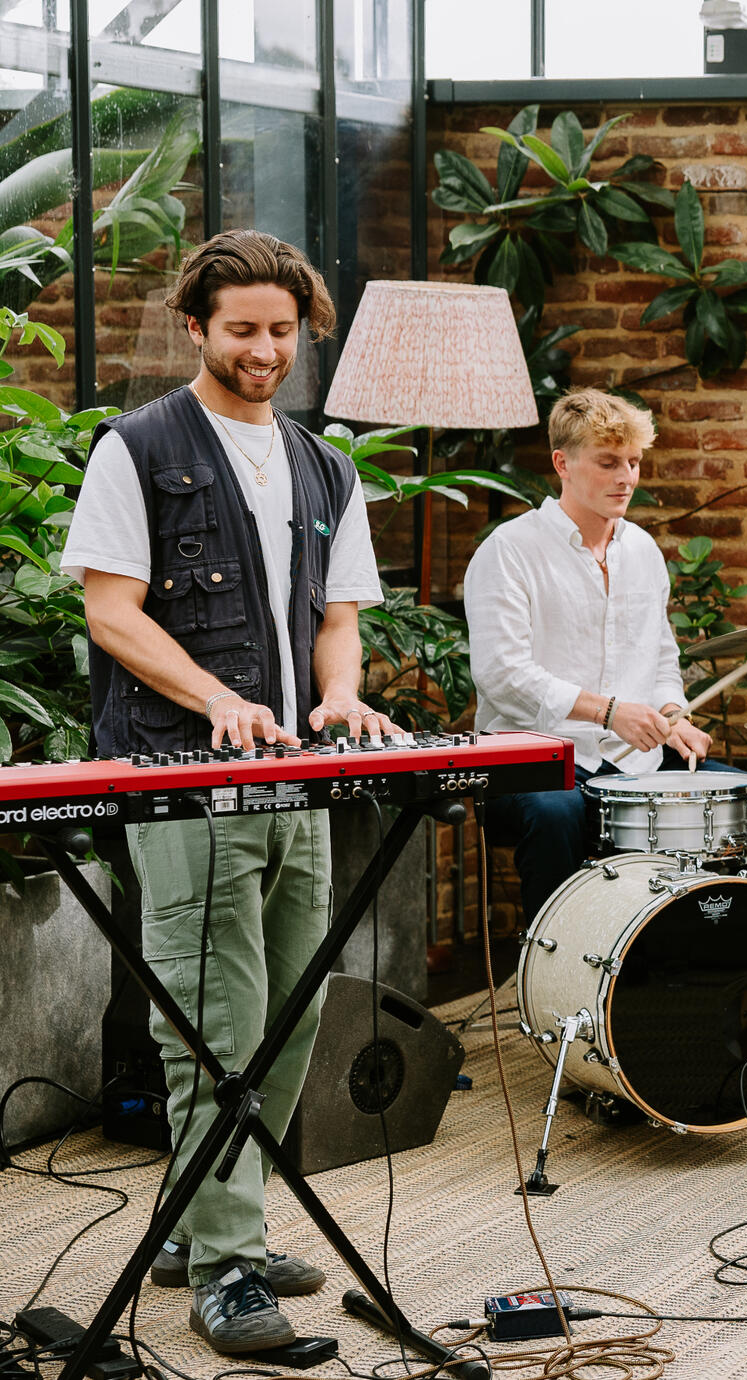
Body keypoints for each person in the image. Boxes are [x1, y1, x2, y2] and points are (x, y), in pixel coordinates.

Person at [62, 230, 391, 1354]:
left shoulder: (325, 465)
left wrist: (339, 696)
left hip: (296, 781)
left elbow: (338, 621)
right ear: (195, 327)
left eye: (282, 332)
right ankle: (229, 1266)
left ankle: (199, 1223)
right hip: (181, 779)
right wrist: (215, 698)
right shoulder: (138, 447)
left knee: (293, 1010)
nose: (265, 351)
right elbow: (112, 612)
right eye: (242, 330)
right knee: (215, 1018)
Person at [466, 387, 747, 926]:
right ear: (562, 464)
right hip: (534, 762)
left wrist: (671, 715)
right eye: (608, 462)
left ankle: (744, 974)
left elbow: (661, 658)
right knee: (558, 815)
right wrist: (607, 711)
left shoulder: (642, 550)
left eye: (634, 462)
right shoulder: (508, 550)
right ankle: (555, 989)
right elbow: (501, 674)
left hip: (633, 764)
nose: (626, 477)